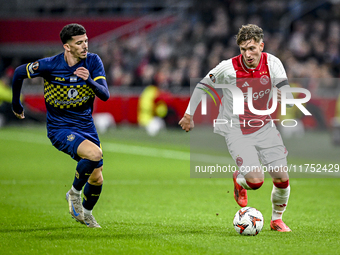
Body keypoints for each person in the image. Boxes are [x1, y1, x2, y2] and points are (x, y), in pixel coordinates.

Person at [179, 24, 293, 232]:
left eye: (252, 48)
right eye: (243, 49)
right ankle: (239, 179)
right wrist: (188, 114)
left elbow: (288, 95)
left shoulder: (273, 63)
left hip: (264, 125)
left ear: (261, 45)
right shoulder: (228, 68)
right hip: (236, 129)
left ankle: (277, 220)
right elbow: (203, 85)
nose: (247, 54)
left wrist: (285, 97)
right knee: (256, 181)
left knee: (281, 178)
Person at [11, 23, 110, 228]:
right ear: (67, 46)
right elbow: (19, 73)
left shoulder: (92, 61)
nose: (85, 46)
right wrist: (16, 103)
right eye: (79, 43)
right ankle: (73, 193)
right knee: (94, 154)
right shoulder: (50, 65)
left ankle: (87, 213)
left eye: (86, 41)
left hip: (85, 125)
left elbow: (105, 94)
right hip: (60, 128)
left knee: (97, 178)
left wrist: (89, 80)